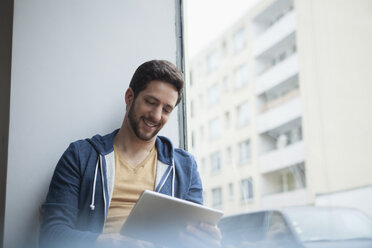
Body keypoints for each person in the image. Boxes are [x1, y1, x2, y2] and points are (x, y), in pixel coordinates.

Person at [39, 60, 221, 248]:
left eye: (166, 110)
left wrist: (203, 239)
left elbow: (194, 238)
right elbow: (51, 235)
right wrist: (103, 243)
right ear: (129, 96)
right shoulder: (80, 156)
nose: (157, 116)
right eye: (151, 102)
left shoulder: (185, 167)